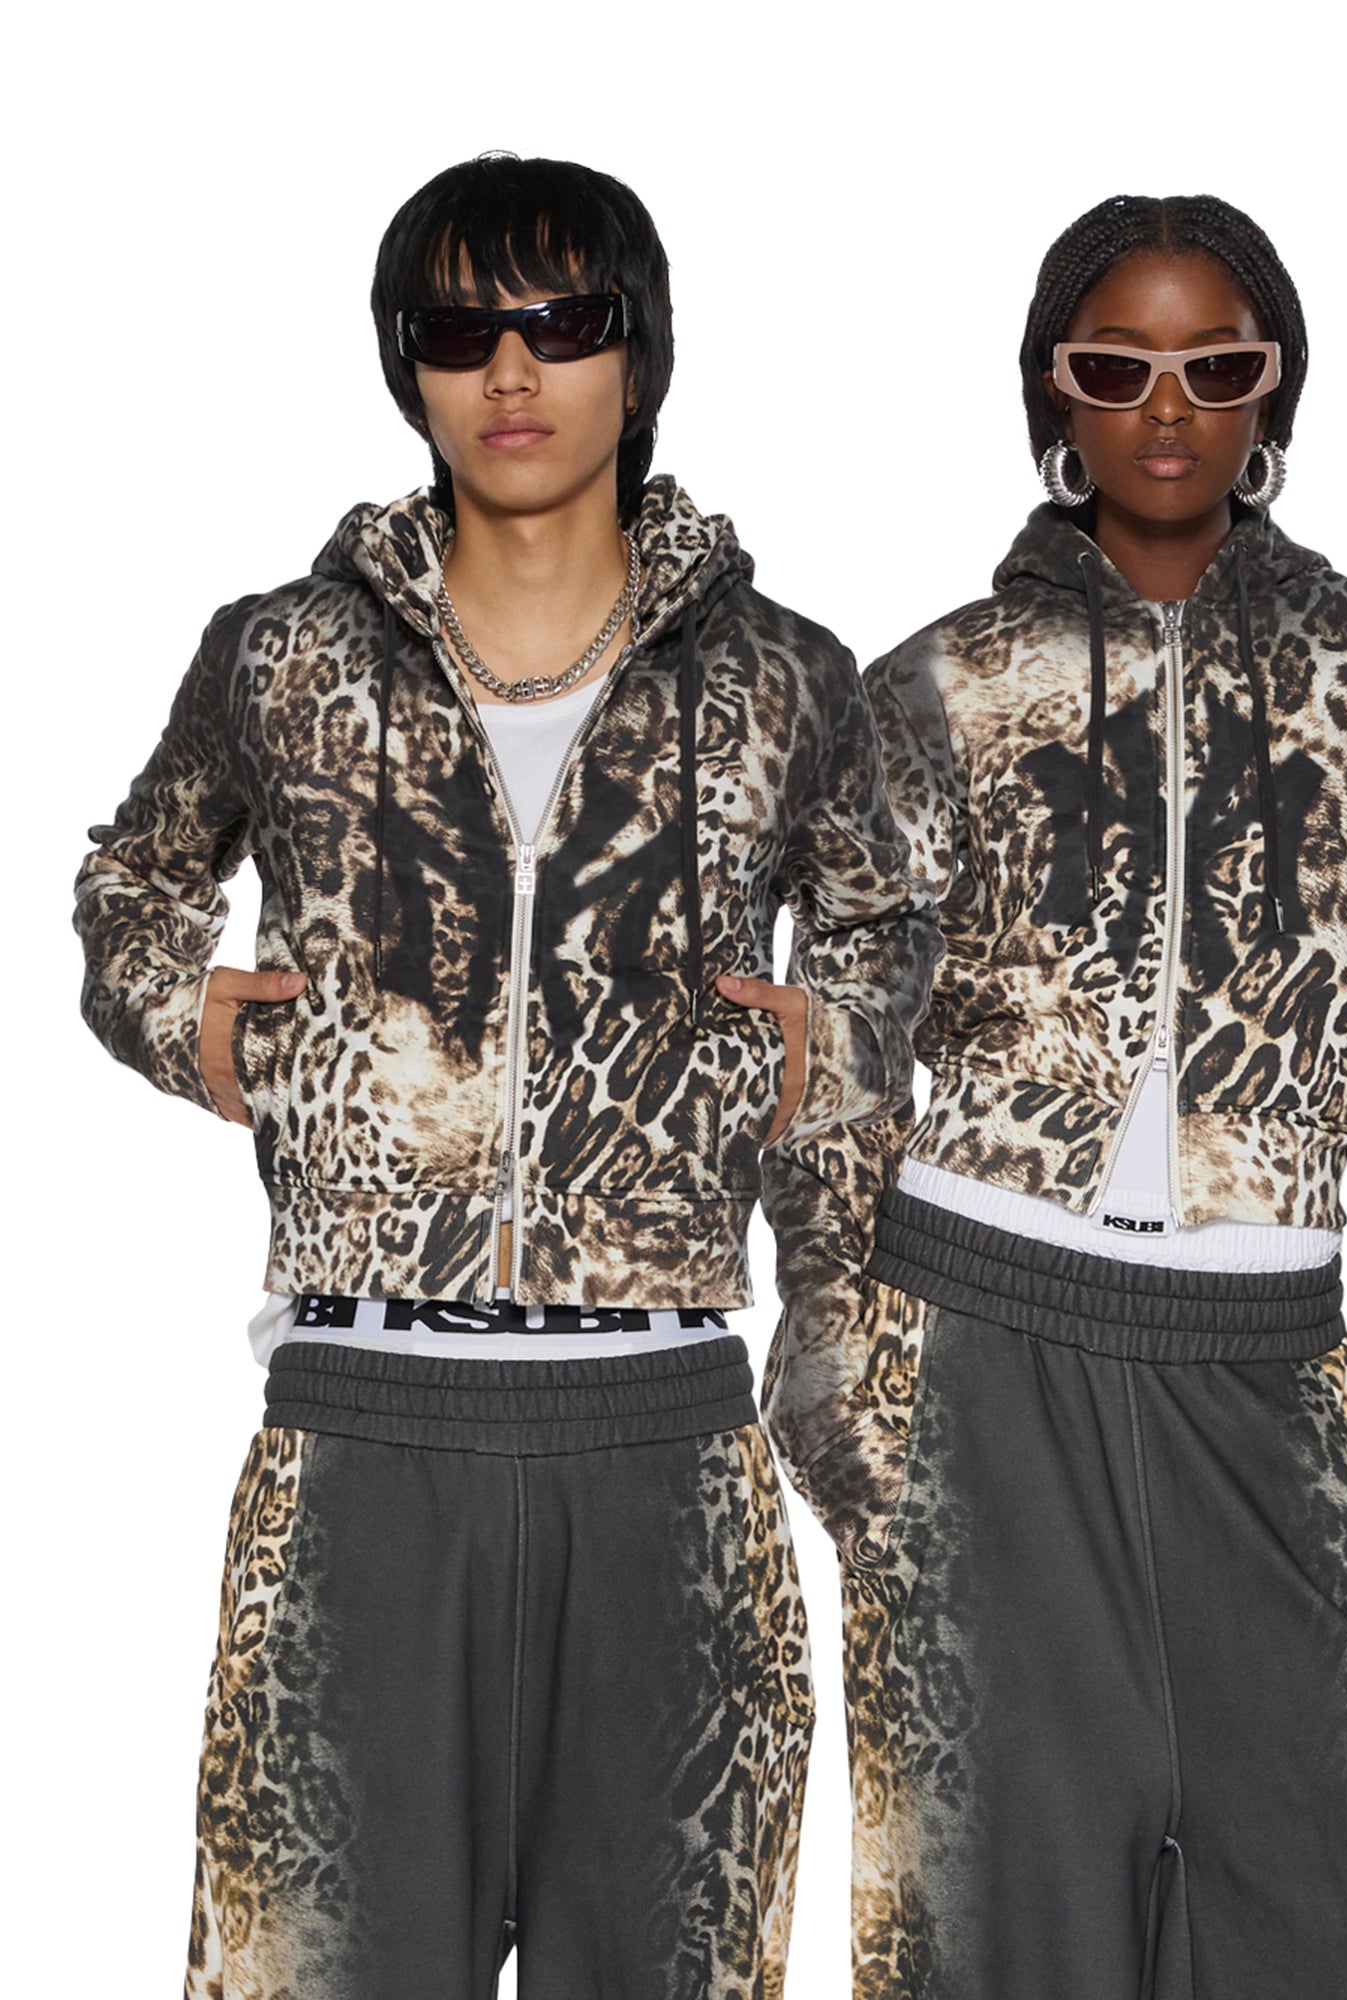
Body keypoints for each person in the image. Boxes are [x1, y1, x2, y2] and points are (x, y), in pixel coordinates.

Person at [75, 151, 937, 2000]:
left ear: (641, 352)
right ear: (409, 364)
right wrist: (191, 1019)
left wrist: (824, 1048)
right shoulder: (281, 657)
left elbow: (891, 941)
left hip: (670, 1449)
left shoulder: (786, 679)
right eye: (462, 332)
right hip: (358, 1444)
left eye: (564, 321)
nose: (514, 371)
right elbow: (131, 882)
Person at [831, 195, 1347, 1998]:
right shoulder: (941, 685)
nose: (1169, 408)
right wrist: (848, 1382)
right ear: (1052, 390)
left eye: (1217, 364)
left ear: (1277, 385)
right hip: (980, 1357)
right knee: (1000, 1946)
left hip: (1271, 1359)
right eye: (1116, 366)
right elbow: (837, 1051)